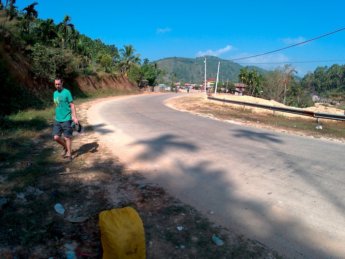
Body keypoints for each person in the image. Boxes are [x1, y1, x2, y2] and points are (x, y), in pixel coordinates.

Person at [52, 78, 78, 160]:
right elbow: (57, 105)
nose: (57, 86)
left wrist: (74, 117)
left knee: (67, 137)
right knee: (56, 137)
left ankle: (69, 154)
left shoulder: (67, 92)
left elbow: (72, 105)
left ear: (62, 83)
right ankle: (66, 147)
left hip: (67, 118)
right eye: (56, 84)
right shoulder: (55, 93)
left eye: (59, 84)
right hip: (57, 119)